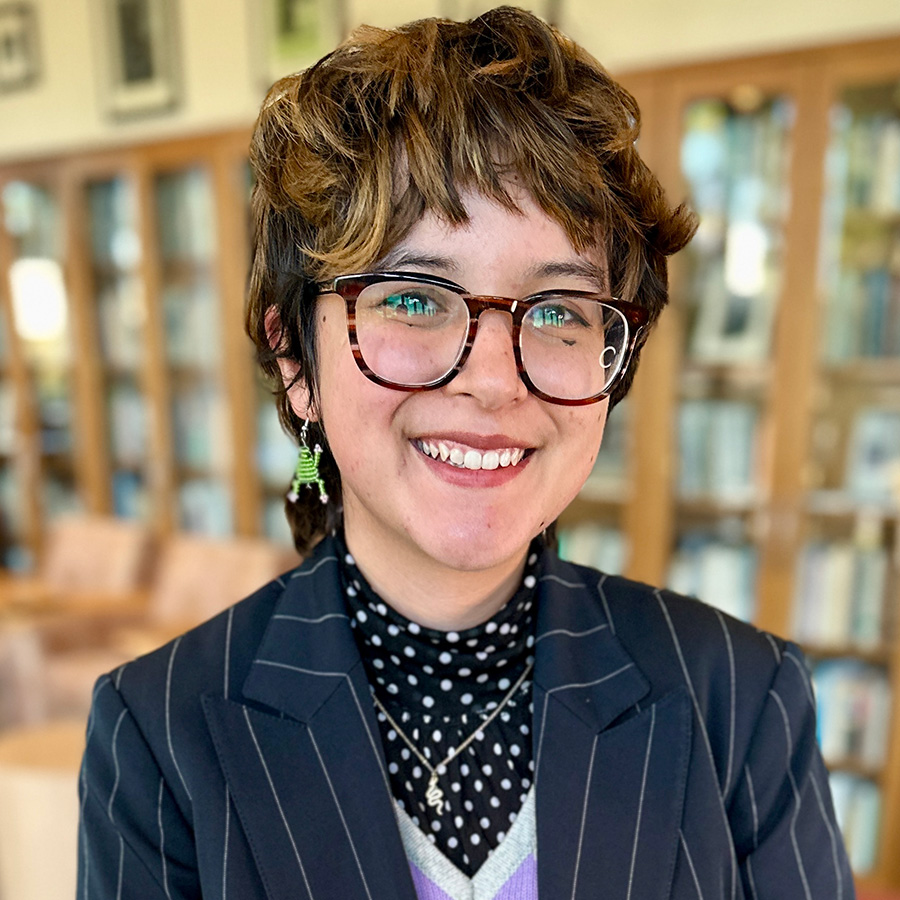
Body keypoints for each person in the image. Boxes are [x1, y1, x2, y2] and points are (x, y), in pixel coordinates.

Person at [77, 7, 854, 898]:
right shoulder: (159, 733)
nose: (493, 381)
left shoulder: (742, 699)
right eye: (415, 298)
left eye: (559, 309)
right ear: (297, 362)